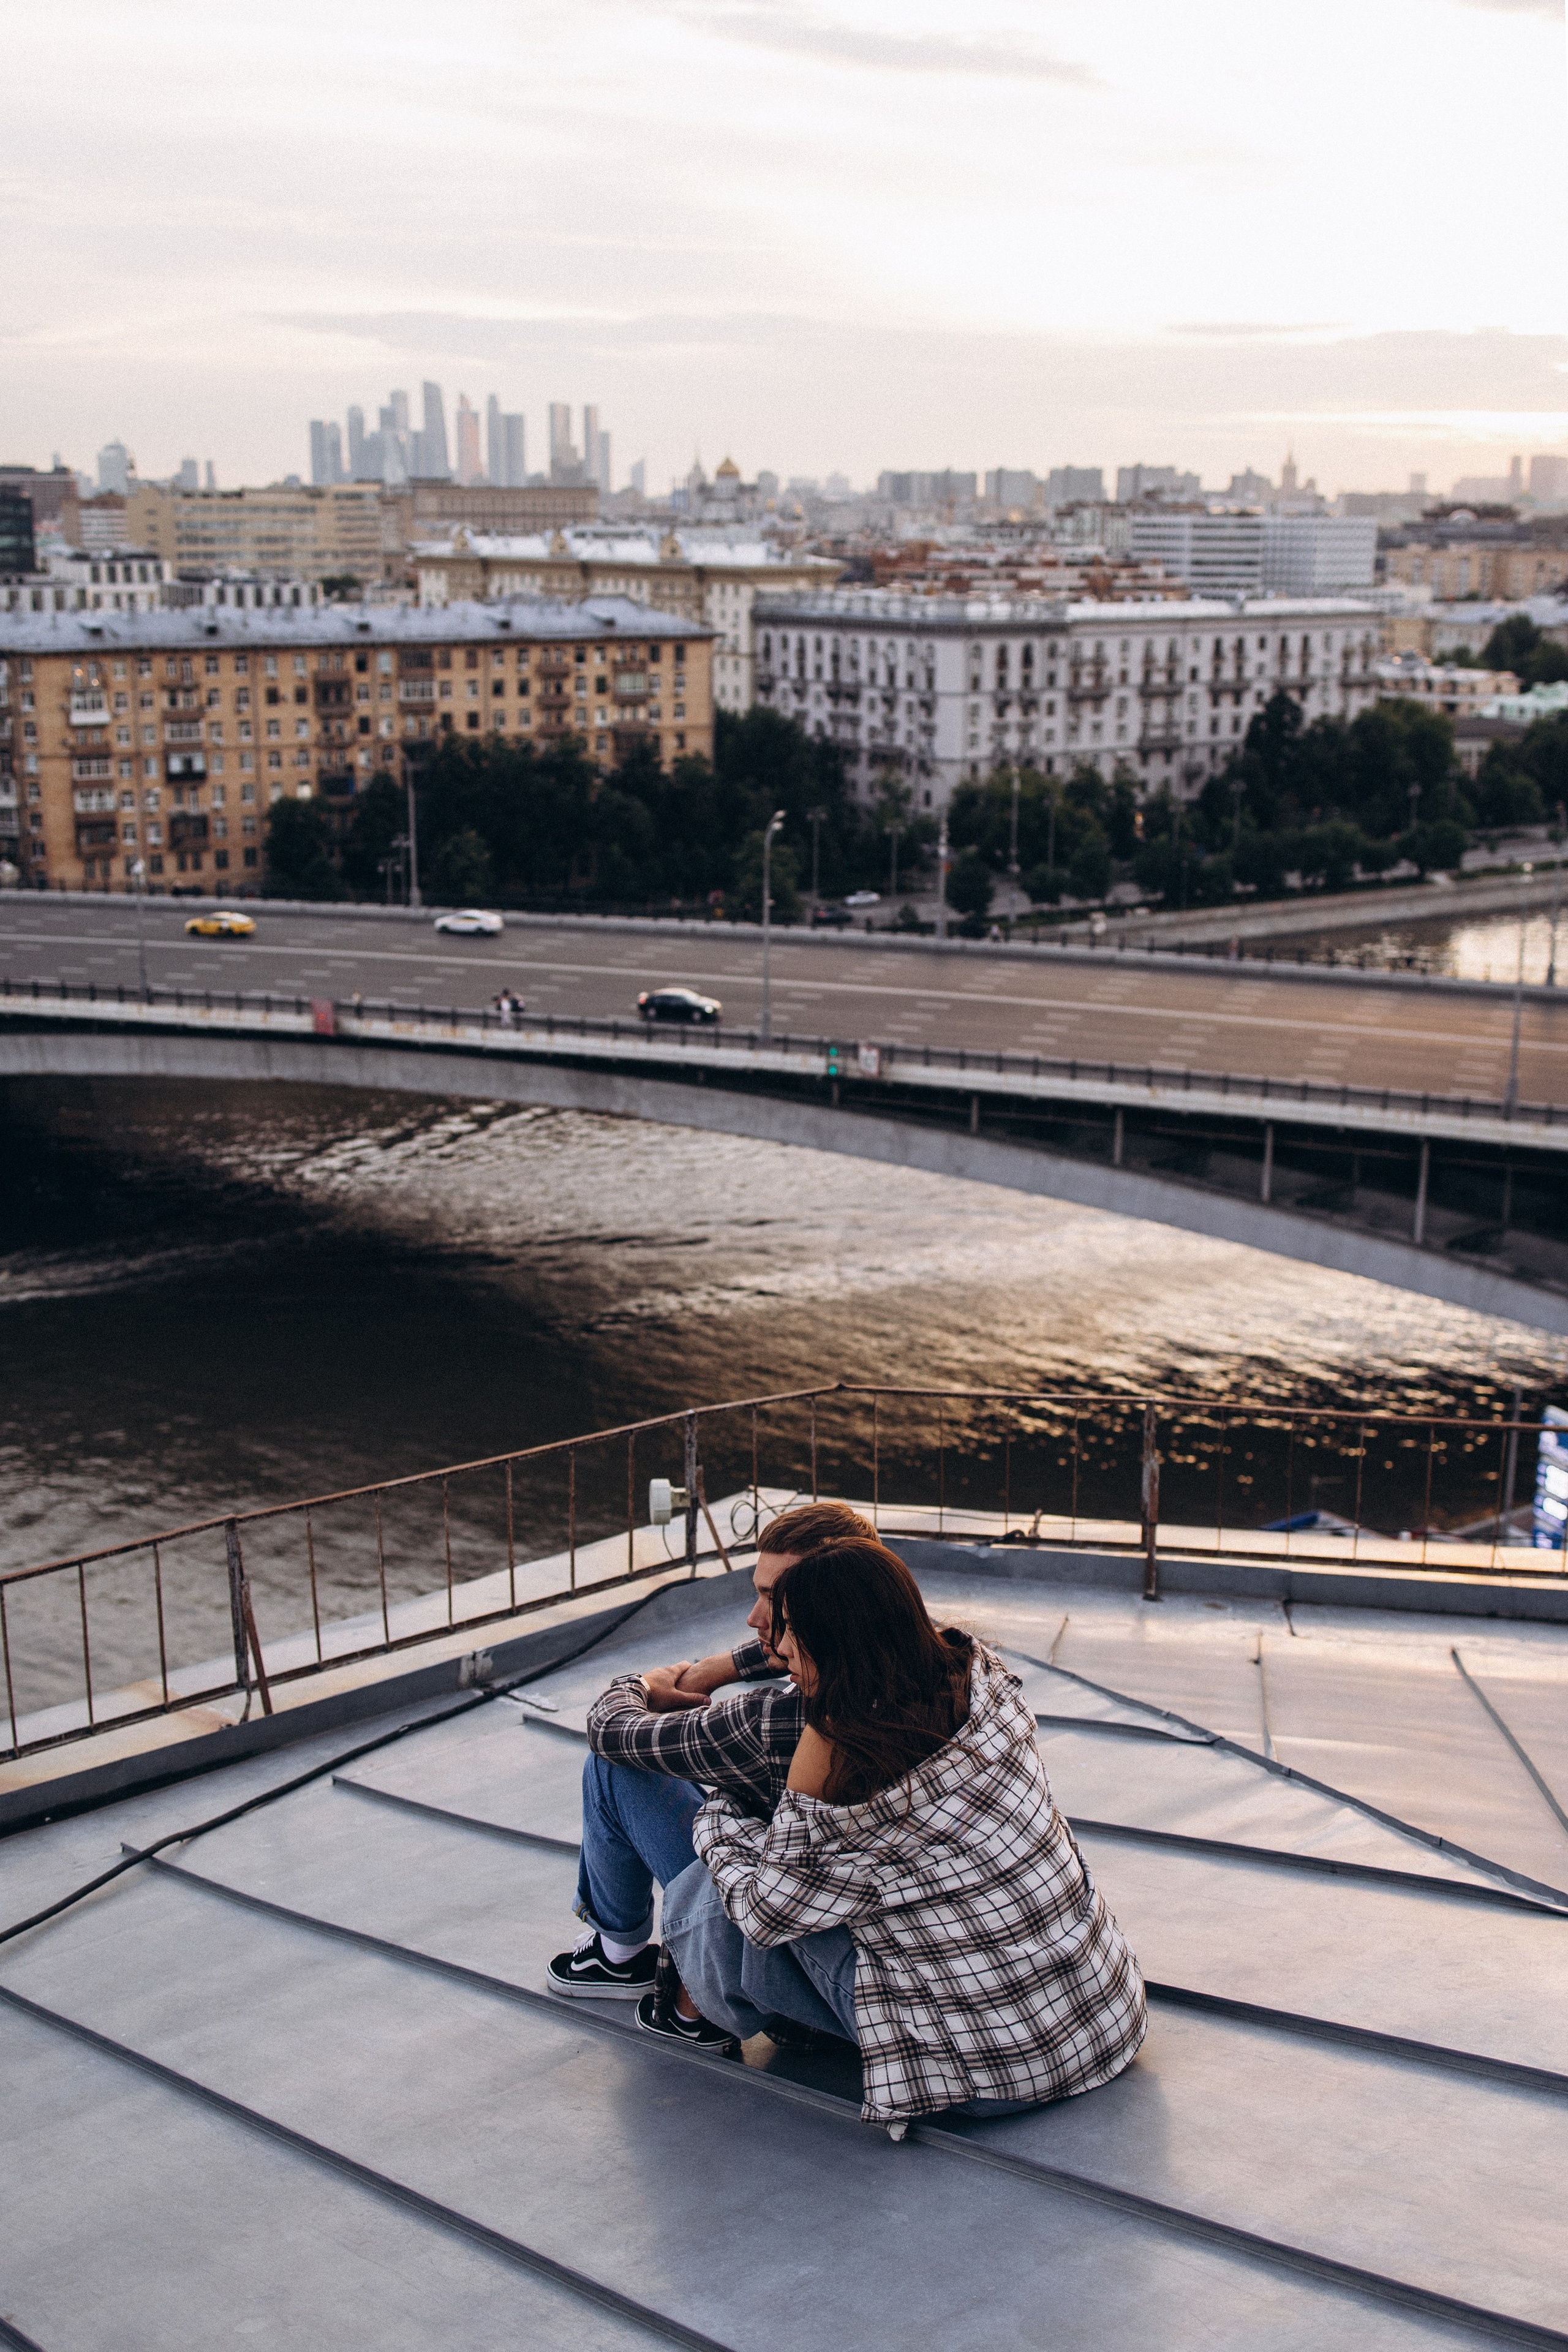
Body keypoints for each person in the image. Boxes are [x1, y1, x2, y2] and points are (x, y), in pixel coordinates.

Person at [689, 1539, 1146, 2128]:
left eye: (792, 1632)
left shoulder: (836, 1753)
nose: (779, 1648)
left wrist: (719, 1816)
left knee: (719, 1883)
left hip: (992, 2076)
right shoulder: (979, 1685)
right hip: (1103, 2023)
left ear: (838, 1643)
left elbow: (764, 1915)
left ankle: (676, 1996)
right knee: (796, 1882)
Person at [546, 1499, 875, 2041]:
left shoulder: (779, 1724)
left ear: (826, 1601)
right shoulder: (946, 1669)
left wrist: (645, 1686)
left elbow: (610, 1731)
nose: (753, 1616)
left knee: (617, 1770)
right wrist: (724, 1667)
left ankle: (623, 1955)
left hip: (822, 1985)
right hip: (886, 1957)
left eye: (773, 1598)